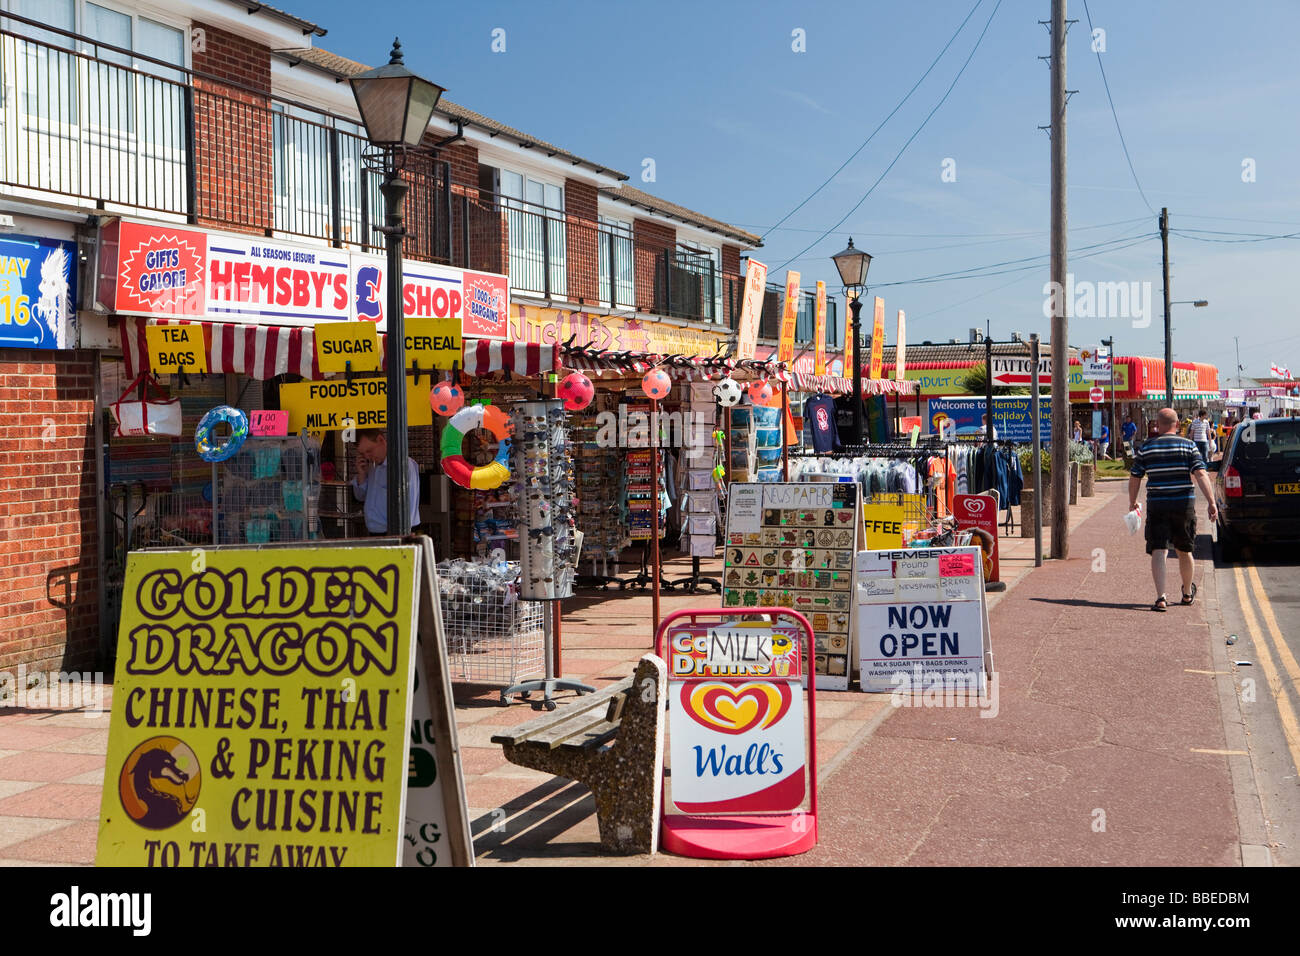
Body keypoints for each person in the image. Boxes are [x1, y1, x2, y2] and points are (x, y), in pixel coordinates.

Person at [1128, 407, 1218, 612]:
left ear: (1157, 425)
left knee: (1158, 550)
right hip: (1183, 503)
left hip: (1157, 504)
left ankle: (1161, 597)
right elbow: (1201, 475)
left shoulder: (1147, 447)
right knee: (1185, 550)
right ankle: (1187, 593)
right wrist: (1212, 502)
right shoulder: (1189, 446)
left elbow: (1135, 477)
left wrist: (1132, 501)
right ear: (1177, 425)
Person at [352, 428, 421, 535]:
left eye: (369, 451)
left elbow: (408, 505)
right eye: (362, 453)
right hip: (376, 532)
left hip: (394, 532)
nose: (367, 456)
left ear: (381, 440)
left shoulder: (403, 465)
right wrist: (361, 475)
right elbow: (360, 496)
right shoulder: (373, 468)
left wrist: (401, 534)